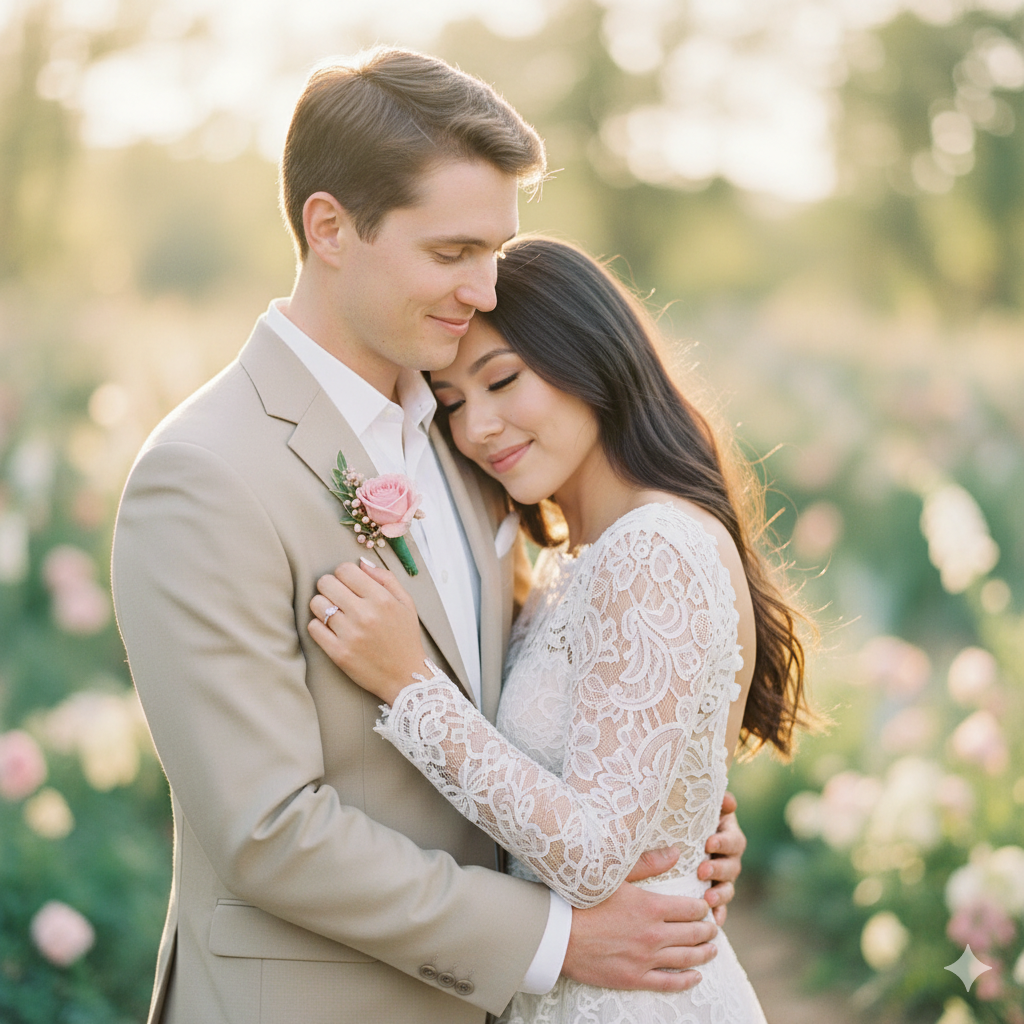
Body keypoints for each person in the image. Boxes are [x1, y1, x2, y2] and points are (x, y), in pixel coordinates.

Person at [110, 50, 747, 1024]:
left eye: (496, 251)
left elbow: (546, 695)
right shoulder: (204, 474)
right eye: (453, 254)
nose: (487, 291)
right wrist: (557, 939)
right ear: (329, 227)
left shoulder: (471, 444)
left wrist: (674, 816)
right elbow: (268, 830)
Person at [308, 236, 812, 1023]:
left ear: (593, 358)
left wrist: (410, 684)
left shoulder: (653, 548)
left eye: (503, 379)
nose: (479, 427)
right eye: (453, 402)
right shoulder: (569, 564)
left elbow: (595, 855)